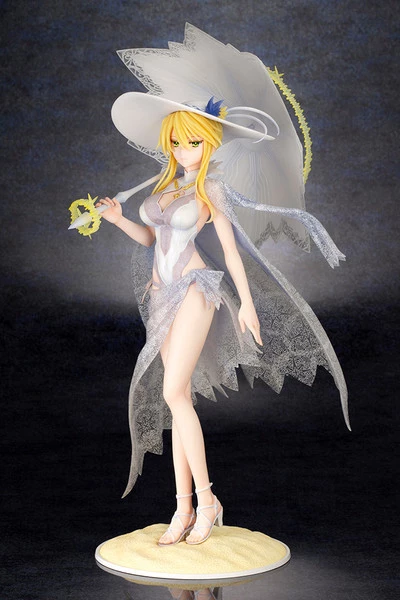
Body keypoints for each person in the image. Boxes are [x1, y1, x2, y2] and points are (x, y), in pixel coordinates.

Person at [96, 24, 350, 547]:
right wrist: (118, 219)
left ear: (210, 142)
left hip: (195, 290)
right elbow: (152, 238)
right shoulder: (165, 185)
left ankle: (205, 501)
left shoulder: (211, 188)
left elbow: (232, 252)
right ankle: (184, 507)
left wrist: (248, 305)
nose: (184, 148)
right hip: (162, 296)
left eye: (194, 141)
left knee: (172, 392)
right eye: (177, 140)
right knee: (178, 398)